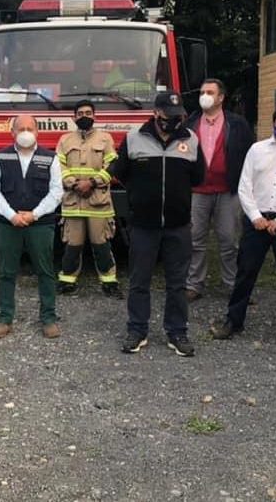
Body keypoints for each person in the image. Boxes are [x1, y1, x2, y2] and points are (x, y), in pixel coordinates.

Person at [210, 105, 276, 349]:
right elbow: (245, 185)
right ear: (273, 122)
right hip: (256, 222)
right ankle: (233, 321)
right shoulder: (256, 150)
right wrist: (256, 216)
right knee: (245, 272)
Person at [110, 92, 205, 357]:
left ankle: (177, 332)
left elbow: (198, 177)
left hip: (178, 225)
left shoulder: (191, 140)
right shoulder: (133, 138)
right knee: (139, 280)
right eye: (168, 117)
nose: (173, 122)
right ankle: (137, 330)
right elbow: (120, 174)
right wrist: (139, 198)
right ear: (156, 114)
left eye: (177, 117)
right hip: (143, 225)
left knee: (177, 283)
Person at [0, 115, 63, 339]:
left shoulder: (50, 158)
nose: (26, 132)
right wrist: (12, 216)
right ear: (12, 133)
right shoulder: (0, 156)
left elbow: (56, 192)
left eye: (30, 128)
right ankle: (5, 319)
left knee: (46, 271)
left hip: (40, 224)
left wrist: (33, 215)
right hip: (8, 224)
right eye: (21, 129)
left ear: (38, 132)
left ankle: (49, 318)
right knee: (6, 272)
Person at [185, 79, 255, 301]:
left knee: (229, 241)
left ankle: (233, 285)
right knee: (195, 240)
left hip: (228, 191)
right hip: (197, 191)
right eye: (203, 92)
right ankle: (194, 284)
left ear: (221, 97)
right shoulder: (190, 123)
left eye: (210, 92)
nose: (204, 95)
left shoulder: (237, 124)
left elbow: (249, 156)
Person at [56, 100, 121, 298]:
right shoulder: (65, 140)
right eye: (80, 113)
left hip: (98, 203)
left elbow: (112, 166)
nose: (85, 116)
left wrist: (91, 183)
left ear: (94, 116)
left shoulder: (105, 139)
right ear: (74, 117)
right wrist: (74, 184)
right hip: (73, 202)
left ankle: (109, 283)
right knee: (72, 245)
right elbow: (59, 167)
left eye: (88, 113)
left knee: (101, 245)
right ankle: (67, 282)